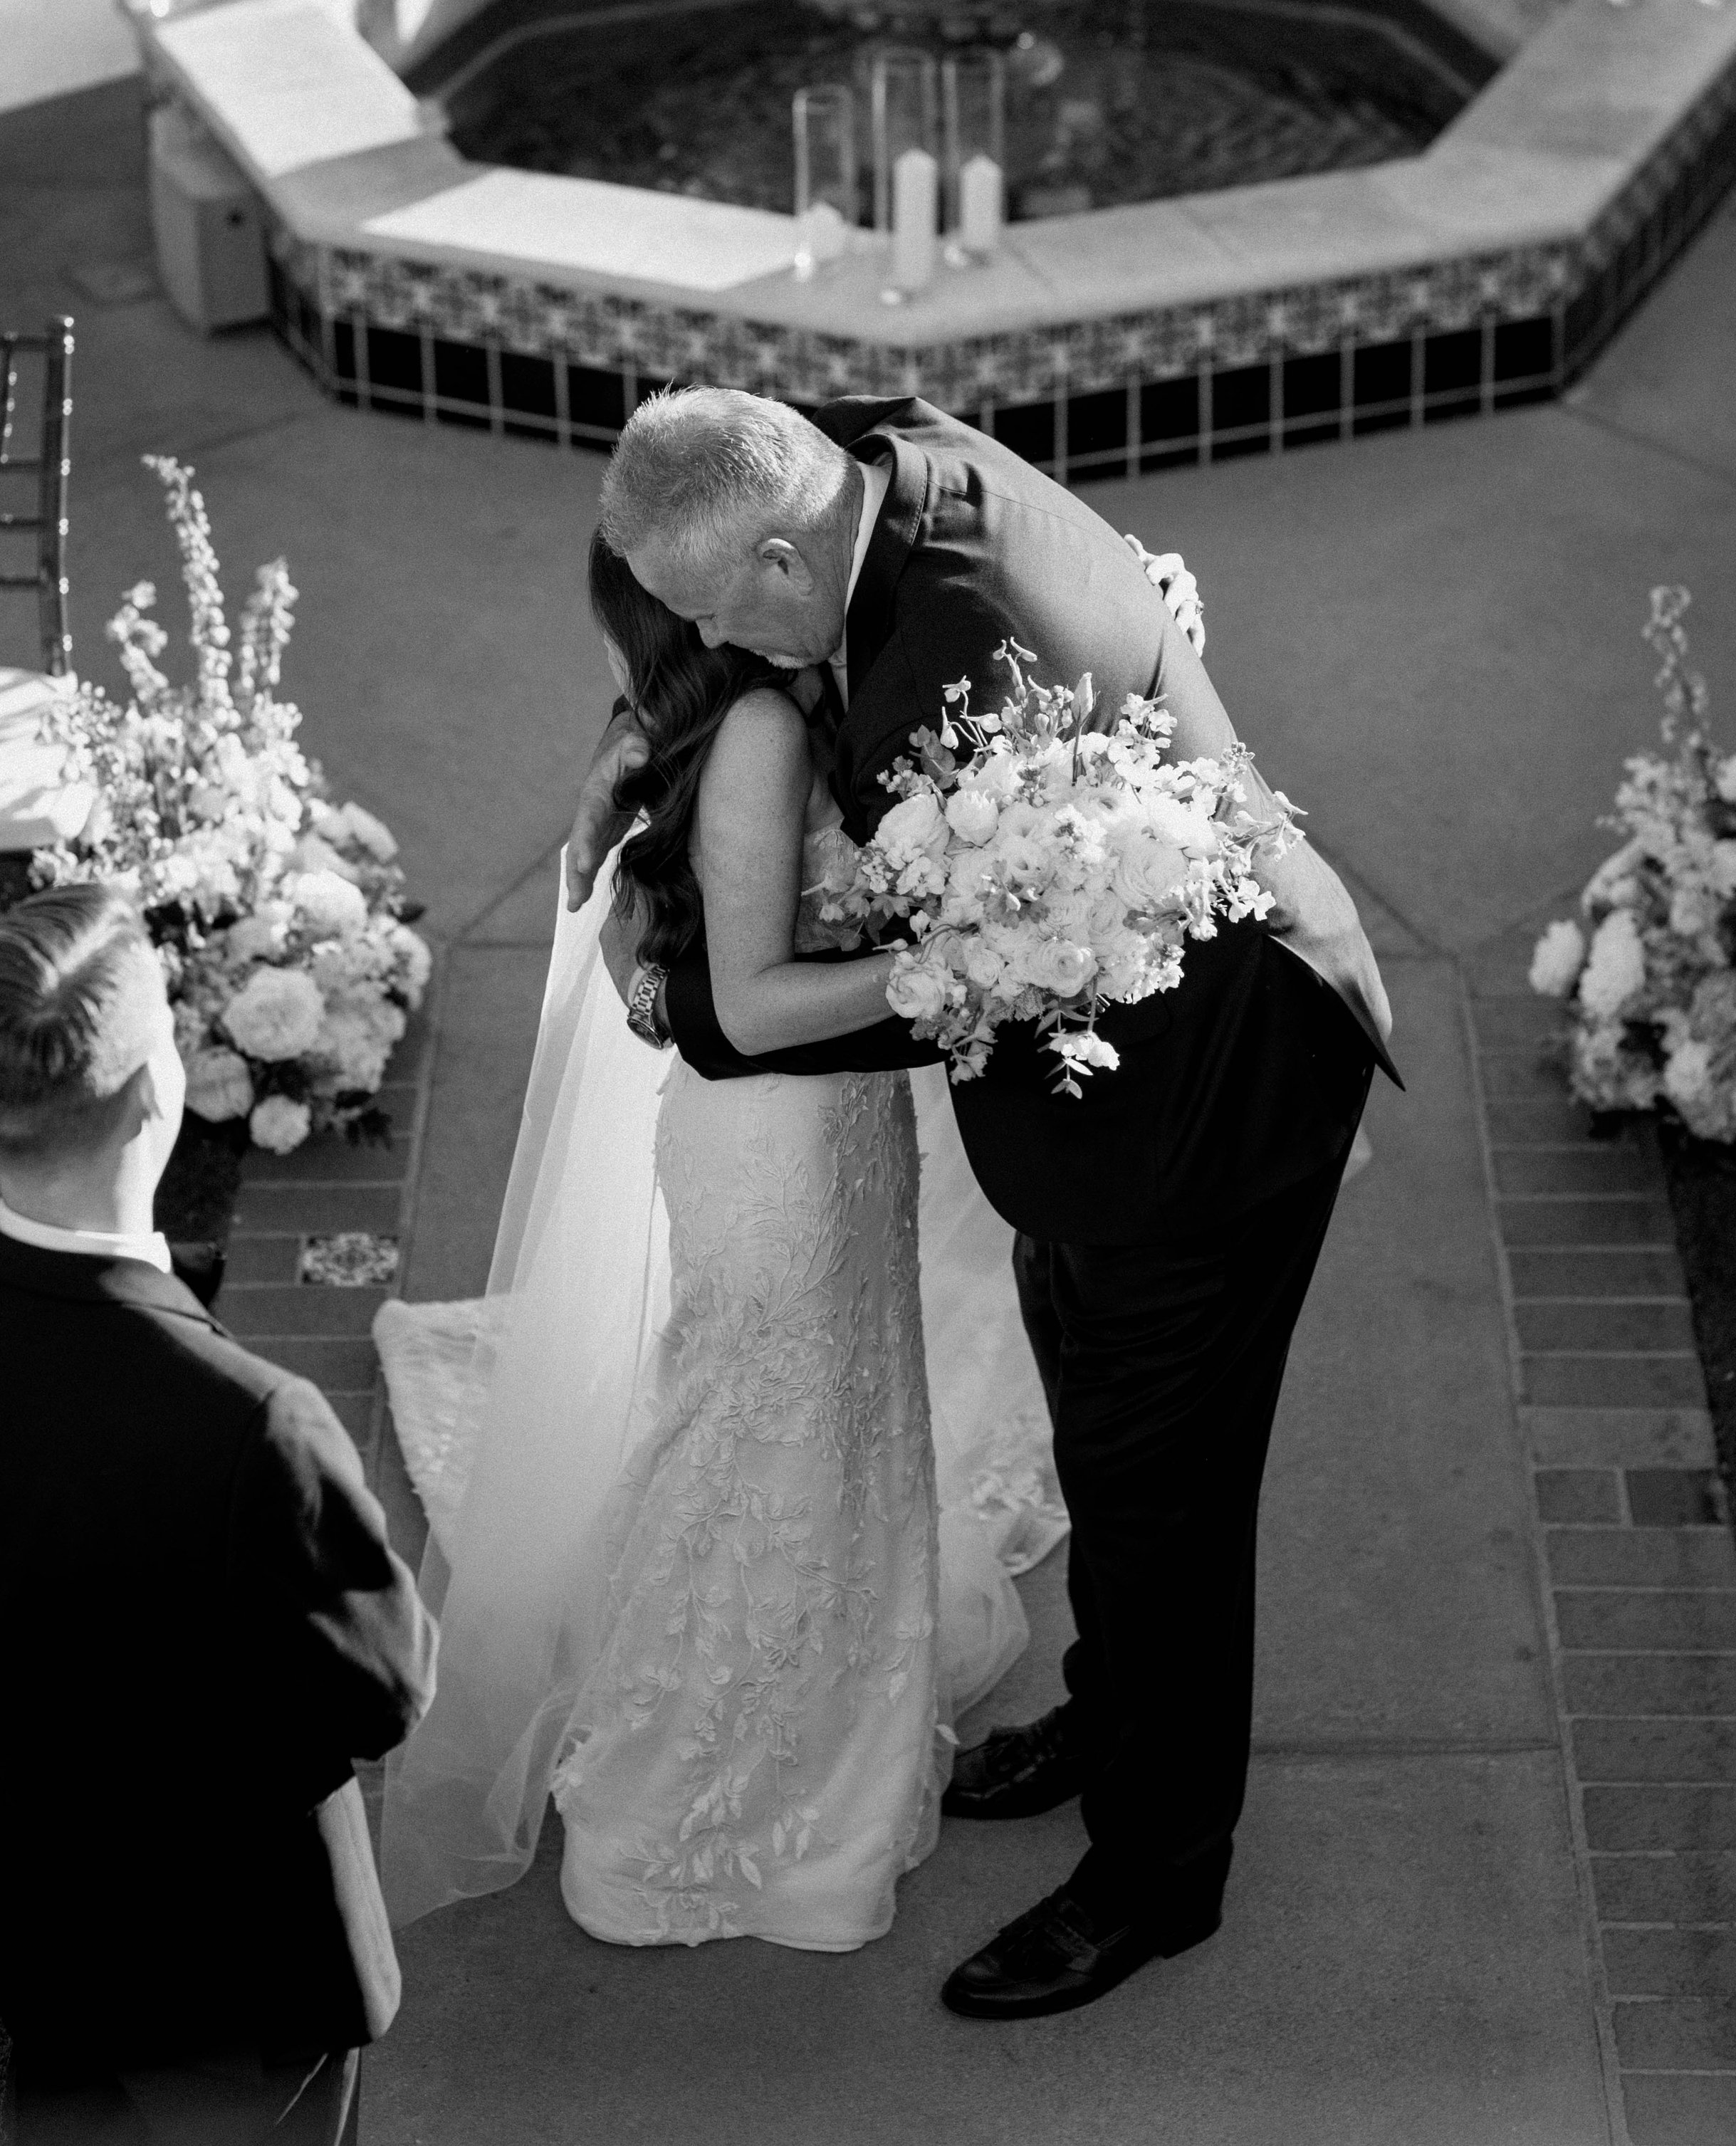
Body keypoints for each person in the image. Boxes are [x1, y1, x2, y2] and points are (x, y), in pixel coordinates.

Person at [570, 387, 1396, 2019]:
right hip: (1098, 1096)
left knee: (1161, 1503)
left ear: (792, 560)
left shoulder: (950, 676)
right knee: (1096, 1429)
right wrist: (636, 748)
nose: (710, 650)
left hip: (1198, 1111)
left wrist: (730, 1003)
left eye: (716, 615)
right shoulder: (879, 447)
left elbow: (998, 966)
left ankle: (1156, 1877)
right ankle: (1112, 1710)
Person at [379, 538, 1032, 1952]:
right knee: (768, 1433)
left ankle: (813, 1702)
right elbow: (729, 1007)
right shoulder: (747, 735)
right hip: (785, 1156)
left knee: (811, 1423)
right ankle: (712, 1786)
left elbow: (645, 985)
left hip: (821, 1143)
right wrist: (966, 961)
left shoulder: (689, 731)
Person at [0, 884, 436, 2142]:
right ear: (157, 1096)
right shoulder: (252, 1424)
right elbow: (382, 1692)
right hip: (236, 1993)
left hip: (39, 1958)